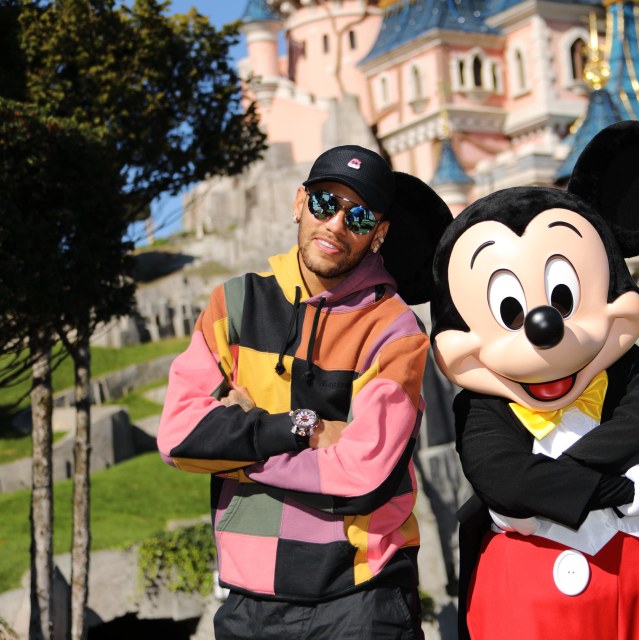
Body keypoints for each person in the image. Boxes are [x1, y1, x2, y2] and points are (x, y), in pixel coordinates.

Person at [157, 145, 452, 640]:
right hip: (250, 599)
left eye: (357, 216)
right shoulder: (234, 303)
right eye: (324, 203)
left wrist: (237, 437)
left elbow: (366, 477)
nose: (335, 224)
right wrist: (302, 429)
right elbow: (178, 438)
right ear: (299, 203)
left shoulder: (397, 331)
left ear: (378, 235)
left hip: (363, 594)